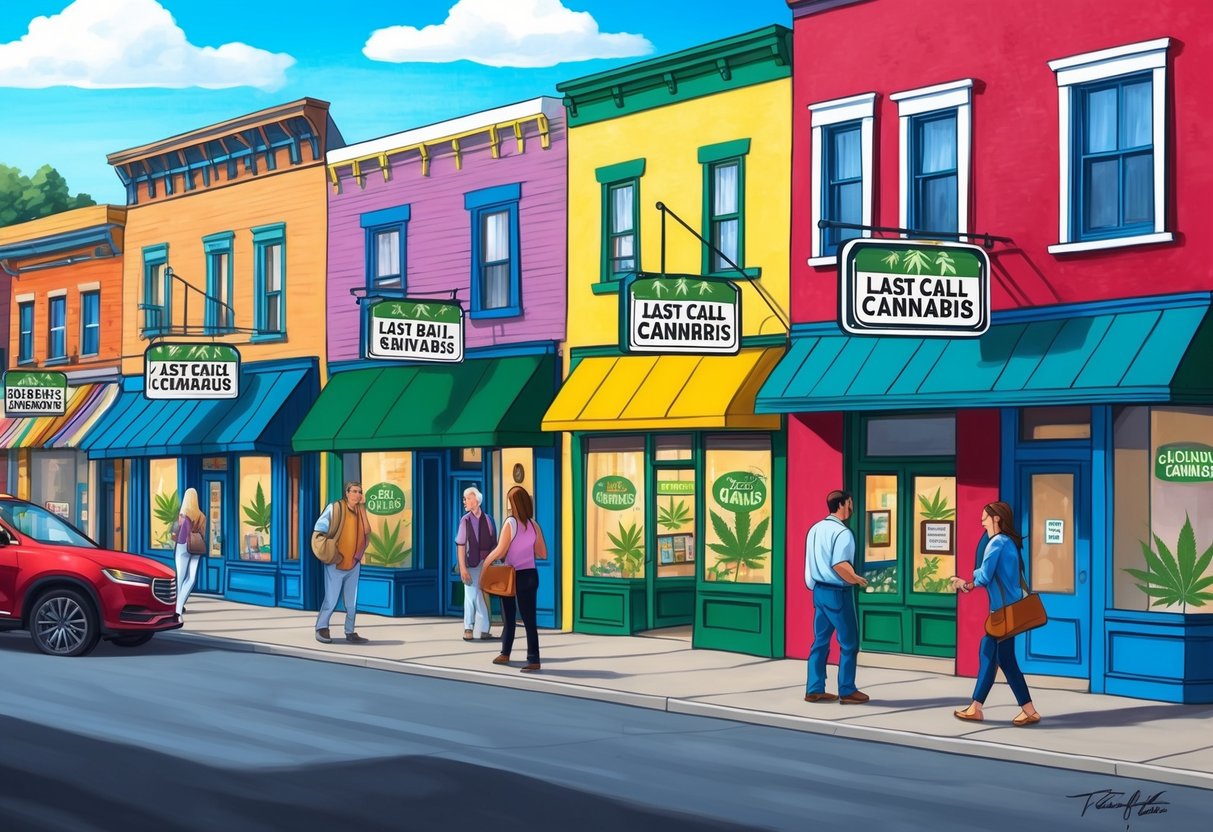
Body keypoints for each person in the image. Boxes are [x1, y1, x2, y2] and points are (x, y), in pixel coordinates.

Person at [950, 501, 1042, 726]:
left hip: (1003, 613)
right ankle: (980, 707)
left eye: (984, 517)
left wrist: (965, 584)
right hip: (1008, 610)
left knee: (997, 657)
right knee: (994, 655)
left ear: (996, 519)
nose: (981, 521)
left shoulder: (997, 543)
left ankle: (1021, 711)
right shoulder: (1009, 542)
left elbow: (984, 576)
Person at [804, 489, 870, 704]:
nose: (852, 507)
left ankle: (814, 688)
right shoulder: (843, 533)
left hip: (819, 591)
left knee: (820, 641)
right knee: (849, 643)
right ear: (842, 504)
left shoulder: (815, 529)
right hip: (838, 593)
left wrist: (813, 584)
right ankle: (847, 690)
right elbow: (839, 564)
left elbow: (810, 563)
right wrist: (856, 579)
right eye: (850, 503)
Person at [482, 485, 547, 672]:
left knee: (508, 616)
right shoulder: (534, 525)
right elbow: (542, 553)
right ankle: (532, 658)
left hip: (511, 574)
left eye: (510, 503)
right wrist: (526, 546)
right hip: (530, 575)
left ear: (514, 504)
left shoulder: (510, 523)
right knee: (529, 620)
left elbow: (501, 550)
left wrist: (487, 562)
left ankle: (506, 653)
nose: (509, 507)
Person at [314, 482, 371, 645]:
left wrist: (363, 509)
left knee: (351, 602)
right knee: (331, 599)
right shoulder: (336, 508)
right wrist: (331, 550)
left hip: (354, 562)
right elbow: (319, 529)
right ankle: (321, 627)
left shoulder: (360, 510)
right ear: (347, 493)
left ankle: (350, 631)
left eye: (360, 492)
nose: (358, 495)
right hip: (336, 562)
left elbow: (367, 532)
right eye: (354, 491)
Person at [455, 486, 497, 642]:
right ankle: (468, 628)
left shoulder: (489, 519)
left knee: (478, 595)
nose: (464, 501)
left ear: (476, 500)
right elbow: (460, 544)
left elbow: (494, 543)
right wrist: (463, 568)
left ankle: (485, 629)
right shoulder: (465, 521)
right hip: (471, 563)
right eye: (464, 498)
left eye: (467, 498)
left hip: (486, 564)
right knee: (471, 595)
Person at [173, 487, 206, 617]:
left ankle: (177, 608)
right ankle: (180, 605)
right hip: (196, 546)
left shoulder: (183, 513)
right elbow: (203, 534)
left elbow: (180, 536)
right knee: (191, 578)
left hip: (183, 547)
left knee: (180, 578)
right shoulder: (201, 515)